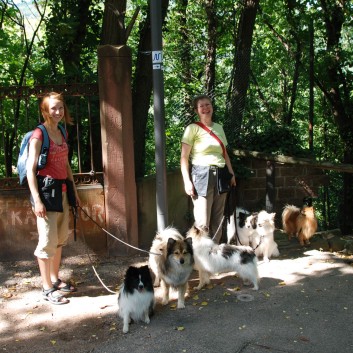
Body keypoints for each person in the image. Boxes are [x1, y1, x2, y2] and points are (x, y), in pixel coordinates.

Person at [27, 92, 80, 305]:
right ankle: (46, 288)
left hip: (63, 192)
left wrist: (74, 192)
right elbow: (31, 170)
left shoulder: (61, 131)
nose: (58, 112)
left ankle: (55, 280)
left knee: (58, 241)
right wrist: (37, 200)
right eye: (53, 108)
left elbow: (66, 165)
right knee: (46, 243)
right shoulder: (39, 135)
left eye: (60, 108)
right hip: (46, 194)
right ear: (45, 111)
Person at [180, 95, 236, 242]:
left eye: (208, 105)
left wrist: (231, 174)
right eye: (201, 106)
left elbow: (225, 154)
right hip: (201, 174)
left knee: (218, 219)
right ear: (196, 110)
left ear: (212, 107)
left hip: (221, 175)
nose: (205, 108)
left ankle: (214, 253)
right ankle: (199, 255)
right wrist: (187, 181)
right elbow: (184, 158)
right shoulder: (192, 129)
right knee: (202, 221)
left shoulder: (219, 128)